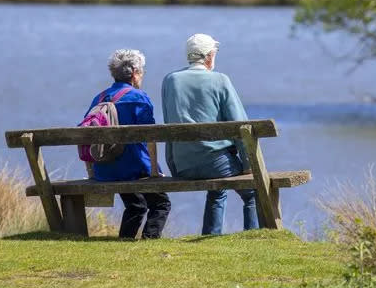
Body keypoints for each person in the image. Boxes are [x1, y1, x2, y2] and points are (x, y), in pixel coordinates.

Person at [161, 33, 258, 235]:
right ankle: (254, 237)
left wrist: (172, 163)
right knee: (253, 193)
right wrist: (249, 166)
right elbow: (241, 126)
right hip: (216, 164)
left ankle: (212, 235)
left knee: (218, 190)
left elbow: (169, 125)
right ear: (208, 56)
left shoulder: (170, 81)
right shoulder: (220, 80)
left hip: (183, 164)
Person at [85, 49, 170, 239]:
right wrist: (155, 171)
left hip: (105, 169)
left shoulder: (99, 99)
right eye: (142, 72)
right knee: (161, 204)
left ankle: (124, 241)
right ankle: (149, 240)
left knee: (136, 205)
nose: (142, 76)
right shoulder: (139, 98)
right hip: (134, 168)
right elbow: (150, 135)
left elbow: (85, 135)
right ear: (134, 73)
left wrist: (92, 171)